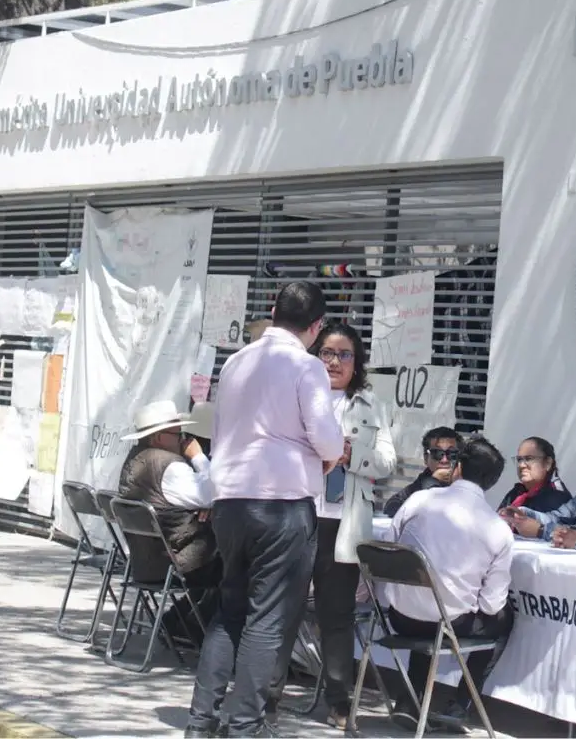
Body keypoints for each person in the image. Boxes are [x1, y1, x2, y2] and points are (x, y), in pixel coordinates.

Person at [185, 281, 345, 739]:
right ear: (315, 327)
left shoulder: (235, 361)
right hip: (282, 504)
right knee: (267, 619)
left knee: (229, 610)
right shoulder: (305, 366)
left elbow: (220, 427)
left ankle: (200, 723)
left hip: (230, 500)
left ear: (273, 310)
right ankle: (245, 725)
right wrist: (330, 454)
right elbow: (328, 440)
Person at [268, 322, 397, 730]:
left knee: (335, 615)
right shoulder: (299, 393)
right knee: (284, 609)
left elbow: (387, 463)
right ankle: (268, 694)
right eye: (327, 352)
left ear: (356, 363)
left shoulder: (371, 405)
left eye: (344, 355)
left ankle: (339, 701)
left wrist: (351, 453)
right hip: (297, 513)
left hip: (342, 522)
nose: (335, 362)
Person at [385, 436, 514, 730]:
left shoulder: (418, 500)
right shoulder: (498, 528)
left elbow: (388, 548)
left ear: (457, 468)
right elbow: (492, 604)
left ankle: (409, 700)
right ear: (491, 482)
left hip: (399, 617)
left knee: (432, 598)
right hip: (446, 623)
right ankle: (460, 704)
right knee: (503, 616)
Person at [117, 400, 219, 638]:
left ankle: (177, 622)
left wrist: (207, 506)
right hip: (176, 562)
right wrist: (198, 457)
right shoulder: (170, 466)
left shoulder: (135, 458)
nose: (184, 439)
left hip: (145, 562)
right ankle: (199, 630)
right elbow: (215, 491)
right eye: (179, 433)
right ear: (159, 437)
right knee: (238, 566)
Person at [382, 426, 462, 517]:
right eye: (437, 453)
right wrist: (432, 483)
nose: (444, 460)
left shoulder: (467, 480)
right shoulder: (424, 480)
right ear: (426, 458)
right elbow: (391, 506)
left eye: (451, 454)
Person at [496, 437, 571, 519]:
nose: (521, 465)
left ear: (547, 463)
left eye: (529, 459)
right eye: (519, 459)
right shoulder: (516, 492)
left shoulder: (558, 497)